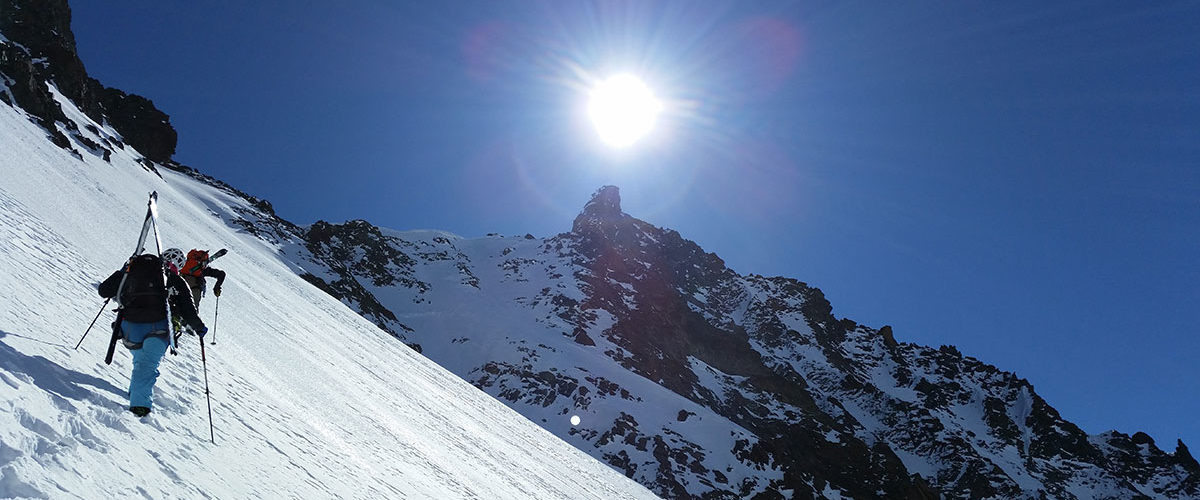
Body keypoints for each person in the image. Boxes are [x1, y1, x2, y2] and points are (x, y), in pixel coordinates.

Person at [98, 252, 207, 417]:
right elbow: (188, 311)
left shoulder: (134, 270)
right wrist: (200, 328)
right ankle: (139, 410)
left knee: (141, 362)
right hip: (157, 329)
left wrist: (124, 270)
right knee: (146, 366)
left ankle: (135, 392)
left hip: (128, 329)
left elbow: (104, 290)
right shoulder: (175, 280)